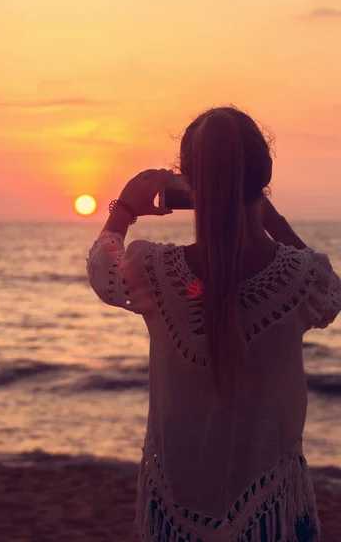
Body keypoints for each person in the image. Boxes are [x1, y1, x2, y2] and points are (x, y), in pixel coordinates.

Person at [86, 106, 341, 542]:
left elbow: (103, 274)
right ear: (263, 178)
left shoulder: (152, 267)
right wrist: (275, 223)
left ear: (188, 184)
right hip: (273, 510)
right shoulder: (302, 277)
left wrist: (124, 209)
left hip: (175, 508)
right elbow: (332, 295)